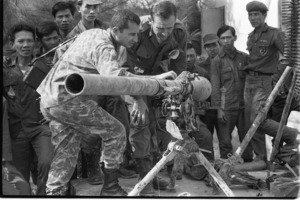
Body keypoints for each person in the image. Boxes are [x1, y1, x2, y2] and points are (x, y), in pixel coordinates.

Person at [36, 9, 176, 196]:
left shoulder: (92, 33)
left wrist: (155, 77)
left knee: (66, 152)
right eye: (132, 34)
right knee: (115, 131)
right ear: (116, 30)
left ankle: (54, 193)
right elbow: (117, 81)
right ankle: (110, 188)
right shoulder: (104, 46)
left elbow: (117, 74)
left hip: (50, 99)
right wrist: (156, 82)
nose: (136, 38)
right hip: (67, 100)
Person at [125, 1, 187, 196]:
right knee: (140, 128)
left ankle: (151, 176)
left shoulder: (179, 33)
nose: (165, 33)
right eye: (160, 28)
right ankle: (145, 182)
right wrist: (137, 99)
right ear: (151, 21)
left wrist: (176, 92)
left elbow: (179, 67)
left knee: (157, 129)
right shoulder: (137, 32)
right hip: (135, 84)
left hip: (160, 84)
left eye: (169, 27)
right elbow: (124, 71)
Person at [3, 23, 53, 196]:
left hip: (40, 126)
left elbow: (56, 95)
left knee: (46, 162)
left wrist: (52, 115)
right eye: (21, 41)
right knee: (20, 177)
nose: (25, 45)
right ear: (12, 44)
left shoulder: (45, 66)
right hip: (16, 130)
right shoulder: (5, 68)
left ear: (36, 43)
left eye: (29, 41)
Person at [244, 1, 298, 162]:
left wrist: (276, 78)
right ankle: (260, 157)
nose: (253, 18)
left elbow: (287, 58)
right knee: (250, 122)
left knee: (257, 119)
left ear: (264, 15)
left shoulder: (275, 34)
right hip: (250, 82)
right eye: (250, 15)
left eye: (256, 15)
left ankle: (290, 134)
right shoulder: (251, 36)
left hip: (264, 81)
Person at [210, 25, 253, 162]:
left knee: (247, 139)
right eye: (223, 38)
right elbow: (215, 87)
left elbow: (251, 81)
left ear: (235, 38)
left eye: (229, 37)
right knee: (225, 143)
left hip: (244, 106)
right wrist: (218, 109)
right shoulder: (216, 62)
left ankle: (248, 167)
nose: (226, 41)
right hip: (226, 107)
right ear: (219, 41)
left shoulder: (244, 58)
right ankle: (226, 171)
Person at [2, 97, 32, 196]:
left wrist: (5, 163)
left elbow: (4, 135)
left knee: (23, 188)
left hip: (4, 164)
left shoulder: (3, 102)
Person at [198, 34, 220, 136]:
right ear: (205, 48)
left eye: (214, 45)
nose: (211, 49)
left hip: (223, 108)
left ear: (219, 45)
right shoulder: (201, 67)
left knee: (225, 141)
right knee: (208, 138)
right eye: (208, 46)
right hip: (207, 110)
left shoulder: (225, 63)